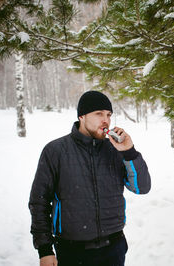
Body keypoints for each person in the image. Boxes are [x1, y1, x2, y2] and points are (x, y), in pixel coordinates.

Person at [29, 91, 151, 266]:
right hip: (72, 251)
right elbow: (38, 202)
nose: (106, 120)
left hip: (114, 248)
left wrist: (129, 152)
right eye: (99, 114)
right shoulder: (55, 151)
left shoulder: (115, 150)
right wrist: (45, 250)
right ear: (82, 116)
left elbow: (142, 187)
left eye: (109, 115)